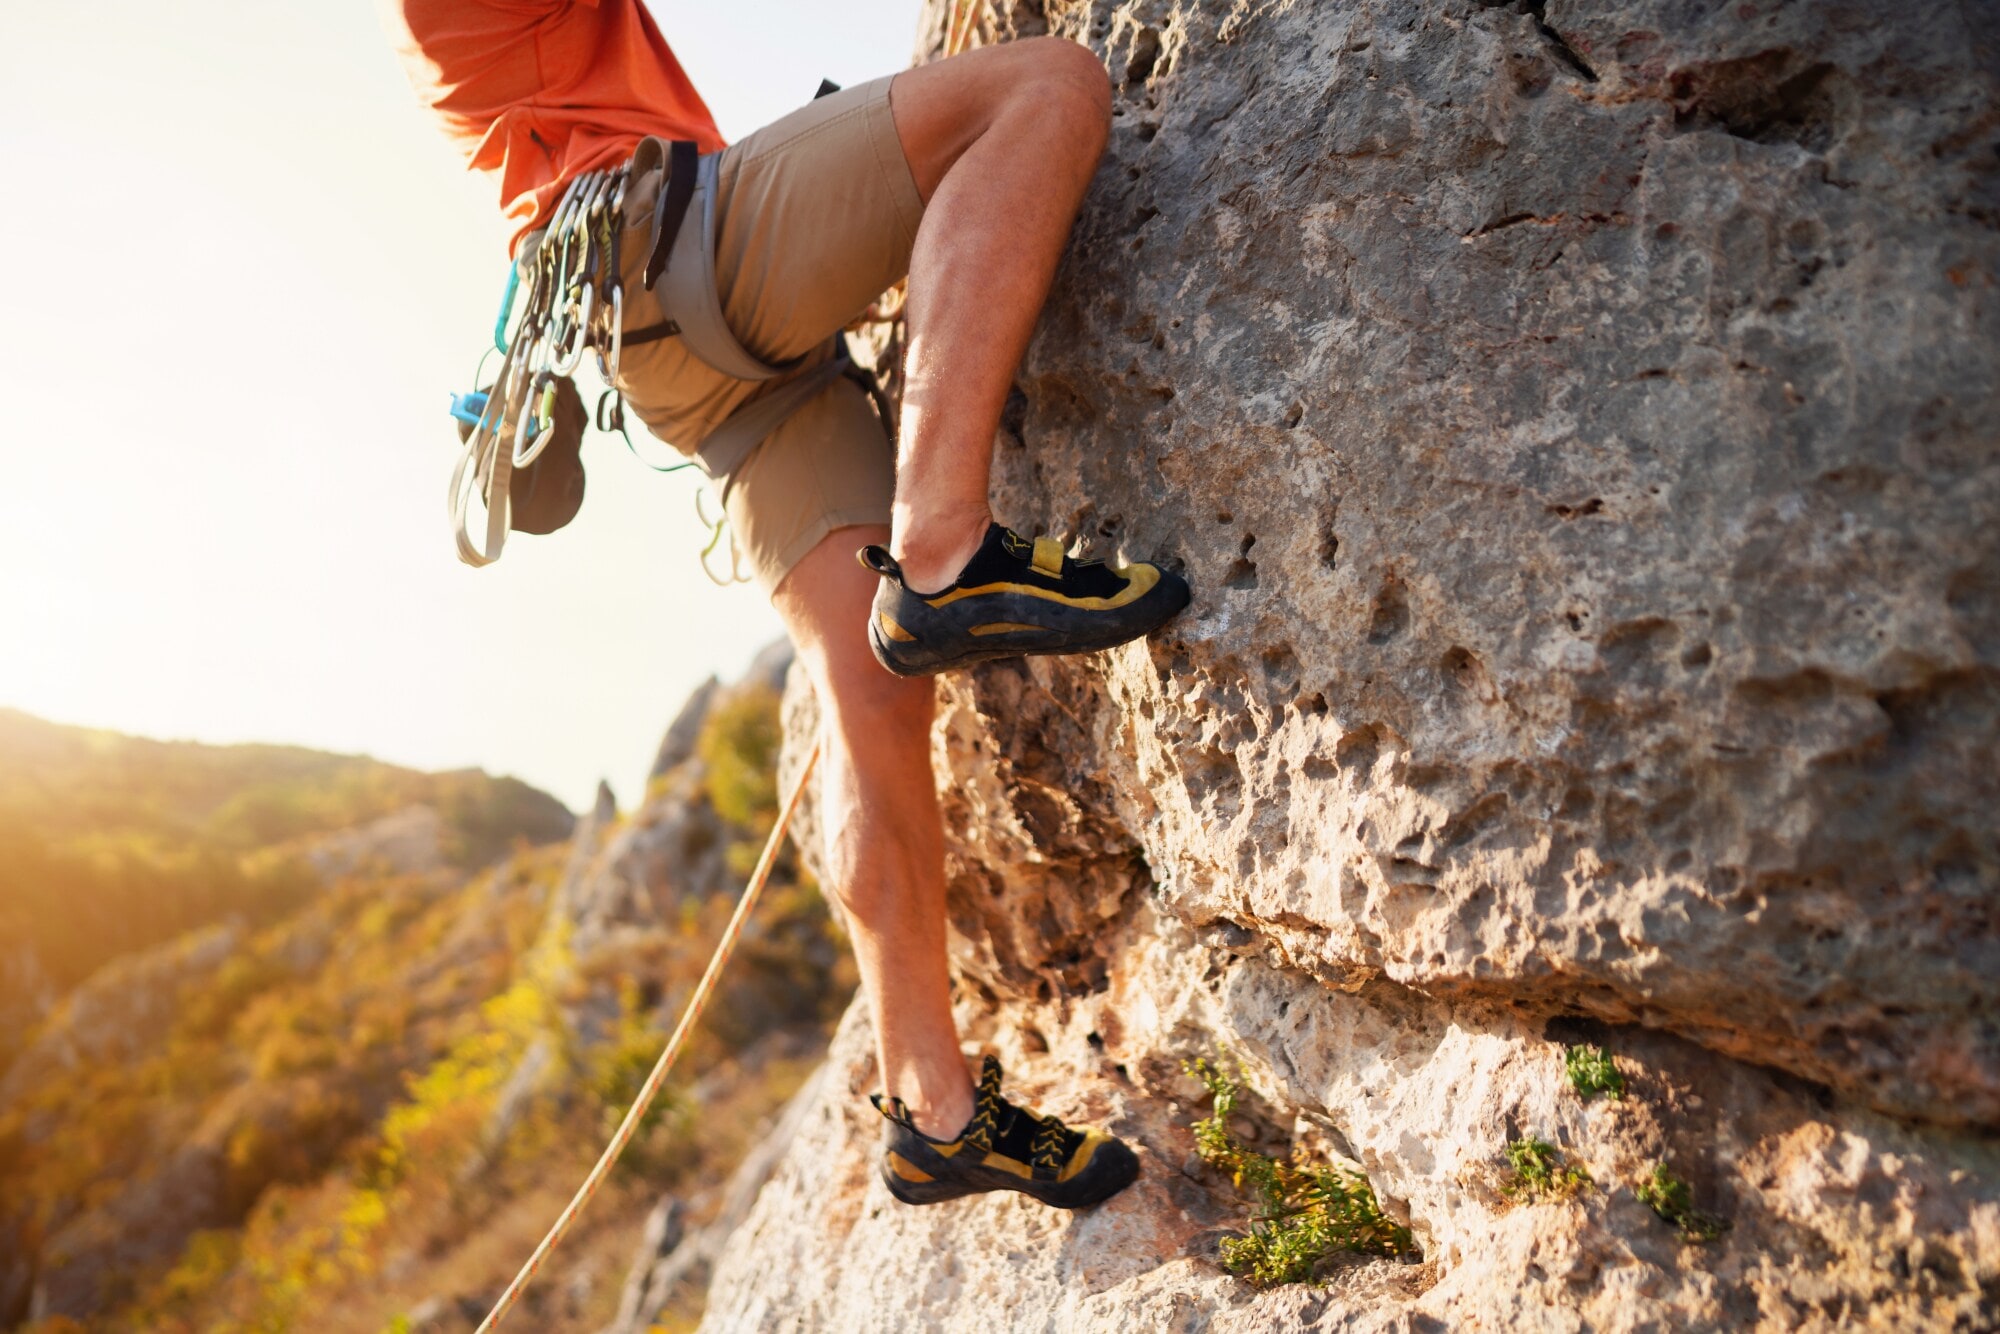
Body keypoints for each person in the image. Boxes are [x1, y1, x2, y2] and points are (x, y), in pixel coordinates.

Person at [384, 0, 1190, 1210]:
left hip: (665, 344)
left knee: (871, 701)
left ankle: (934, 1111)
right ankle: (944, 548)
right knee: (1047, 89)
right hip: (678, 245)